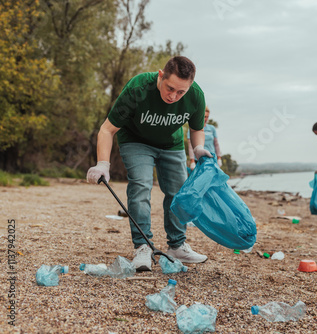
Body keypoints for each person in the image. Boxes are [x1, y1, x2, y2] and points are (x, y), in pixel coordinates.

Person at [87, 56, 212, 271]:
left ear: (189, 86)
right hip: (136, 141)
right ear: (161, 75)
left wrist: (198, 148)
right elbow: (107, 129)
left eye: (180, 92)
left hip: (171, 144)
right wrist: (103, 164)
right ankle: (143, 246)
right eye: (170, 88)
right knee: (141, 186)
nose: (173, 96)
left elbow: (196, 128)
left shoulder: (196, 96)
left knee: (178, 191)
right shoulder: (139, 88)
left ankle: (177, 245)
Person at [187, 106, 222, 170]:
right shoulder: (193, 129)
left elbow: (216, 144)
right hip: (198, 159)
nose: (205, 119)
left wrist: (219, 158)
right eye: (204, 117)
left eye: (207, 117)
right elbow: (190, 146)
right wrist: (192, 161)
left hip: (211, 158)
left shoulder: (212, 128)